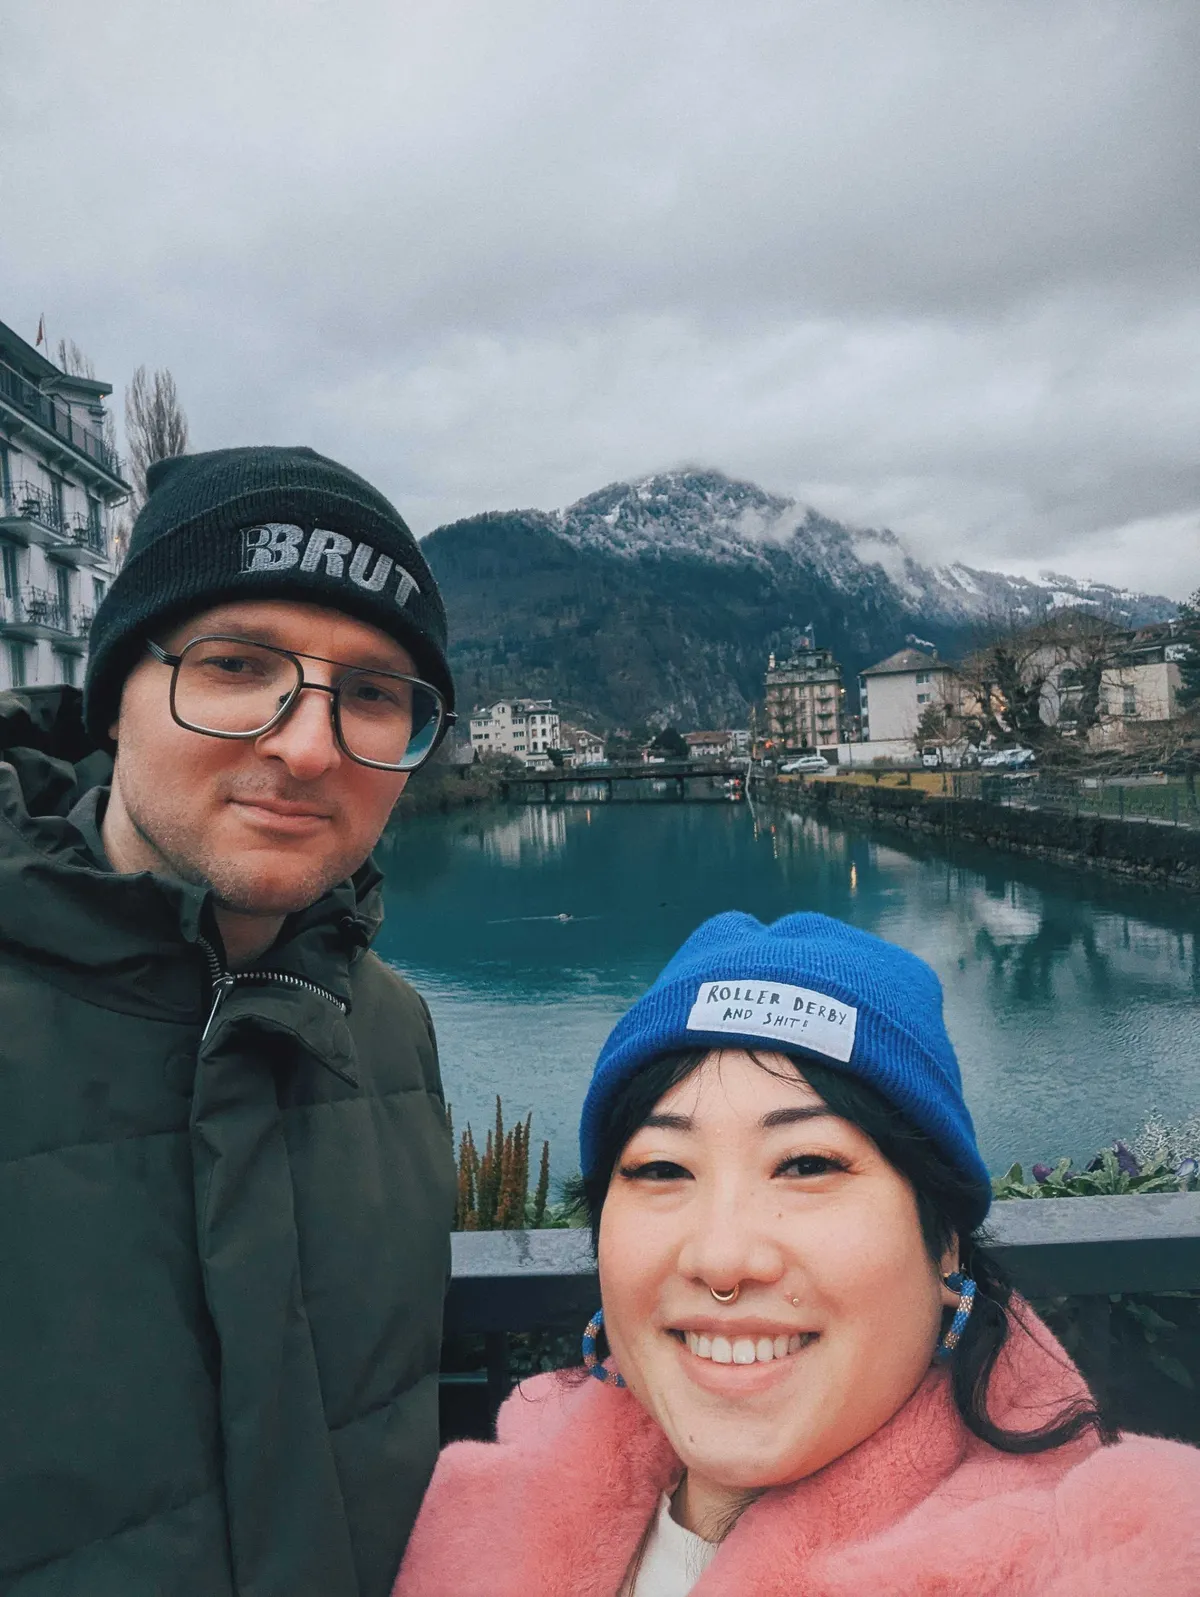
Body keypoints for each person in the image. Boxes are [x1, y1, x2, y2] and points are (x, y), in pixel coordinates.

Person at [395, 911, 1200, 1596]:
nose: (721, 1255)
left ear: (943, 1235)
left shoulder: (1104, 1553)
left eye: (809, 1164)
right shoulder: (489, 1500)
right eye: (661, 1169)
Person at [1, 447, 459, 1596]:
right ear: (119, 694)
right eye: (238, 664)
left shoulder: (391, 1030)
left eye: (370, 694)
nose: (307, 745)